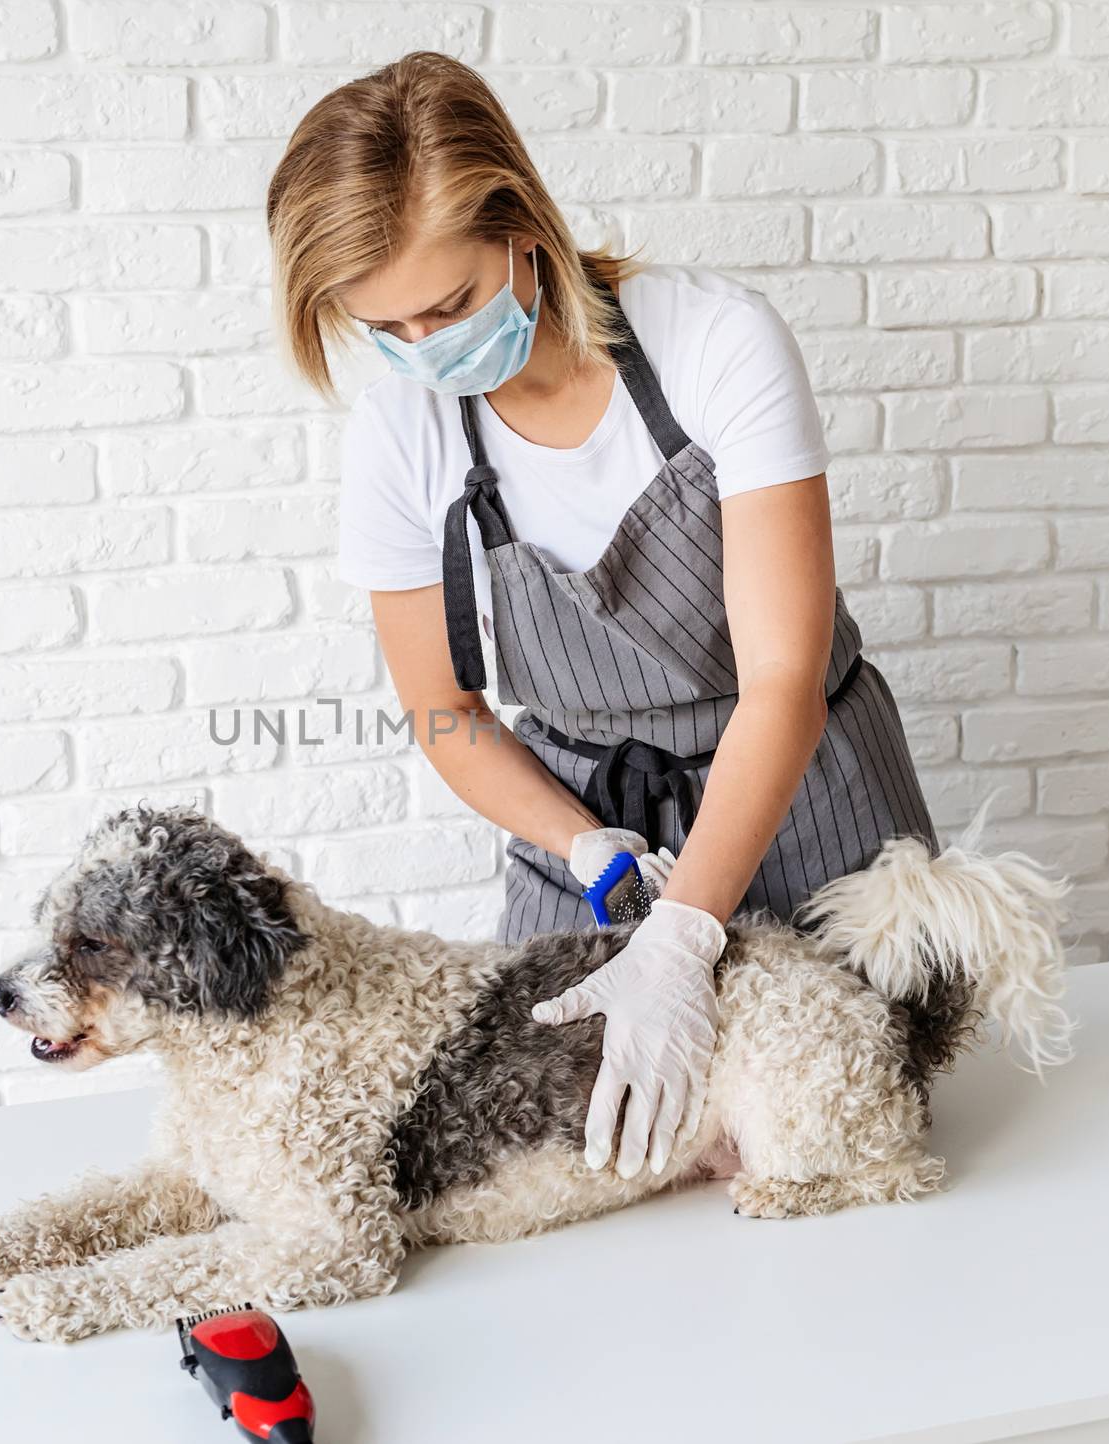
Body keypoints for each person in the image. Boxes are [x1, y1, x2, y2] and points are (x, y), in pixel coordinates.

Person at [265, 52, 938, 1184]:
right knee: (588, 1169)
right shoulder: (401, 437)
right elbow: (444, 710)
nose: (428, 351)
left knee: (827, 1151)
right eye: (388, 328)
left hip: (804, 797)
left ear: (524, 231)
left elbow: (780, 675)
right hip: (589, 834)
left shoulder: (713, 343)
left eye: (453, 305)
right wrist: (583, 846)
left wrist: (681, 938)